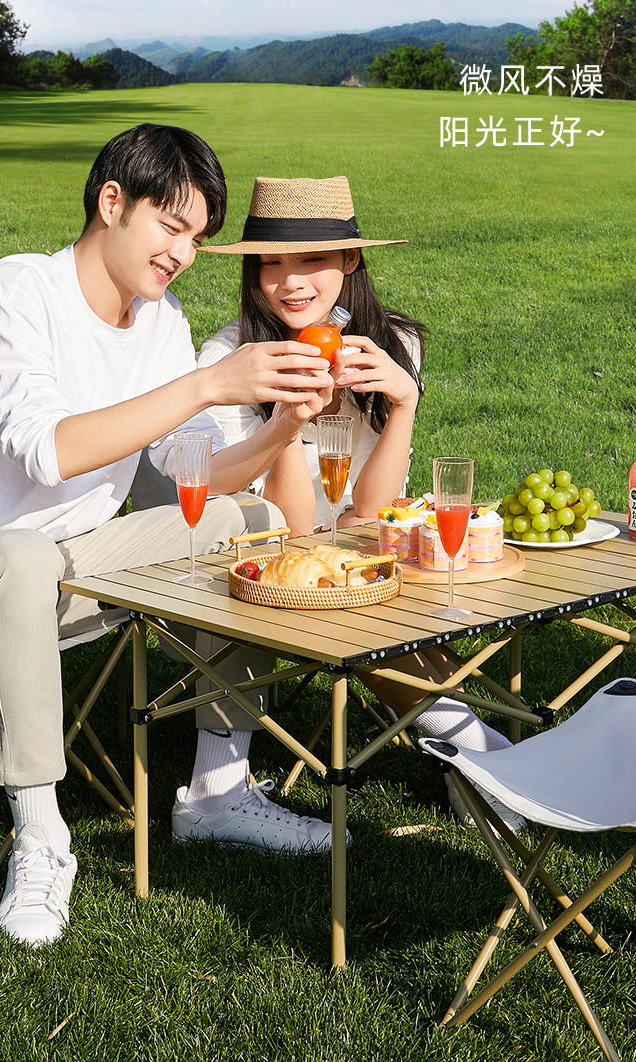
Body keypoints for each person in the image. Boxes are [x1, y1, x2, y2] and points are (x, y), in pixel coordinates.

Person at [0, 128, 337, 948]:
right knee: (18, 554)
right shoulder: (18, 291)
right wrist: (208, 383)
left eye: (198, 239)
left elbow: (197, 476)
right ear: (113, 202)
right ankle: (42, 837)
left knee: (252, 522)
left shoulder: (160, 321)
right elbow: (49, 452)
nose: (183, 254)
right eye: (171, 227)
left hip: (58, 571)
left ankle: (218, 789)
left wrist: (283, 426)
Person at [134, 175, 526, 845]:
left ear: (349, 260)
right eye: (271, 264)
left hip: (345, 553)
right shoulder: (231, 358)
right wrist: (287, 420)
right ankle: (484, 756)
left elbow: (372, 512)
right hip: (232, 568)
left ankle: (475, 756)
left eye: (312, 260)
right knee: (343, 578)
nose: (289, 283)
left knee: (367, 560)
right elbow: (288, 529)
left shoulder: (391, 345)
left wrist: (404, 403)